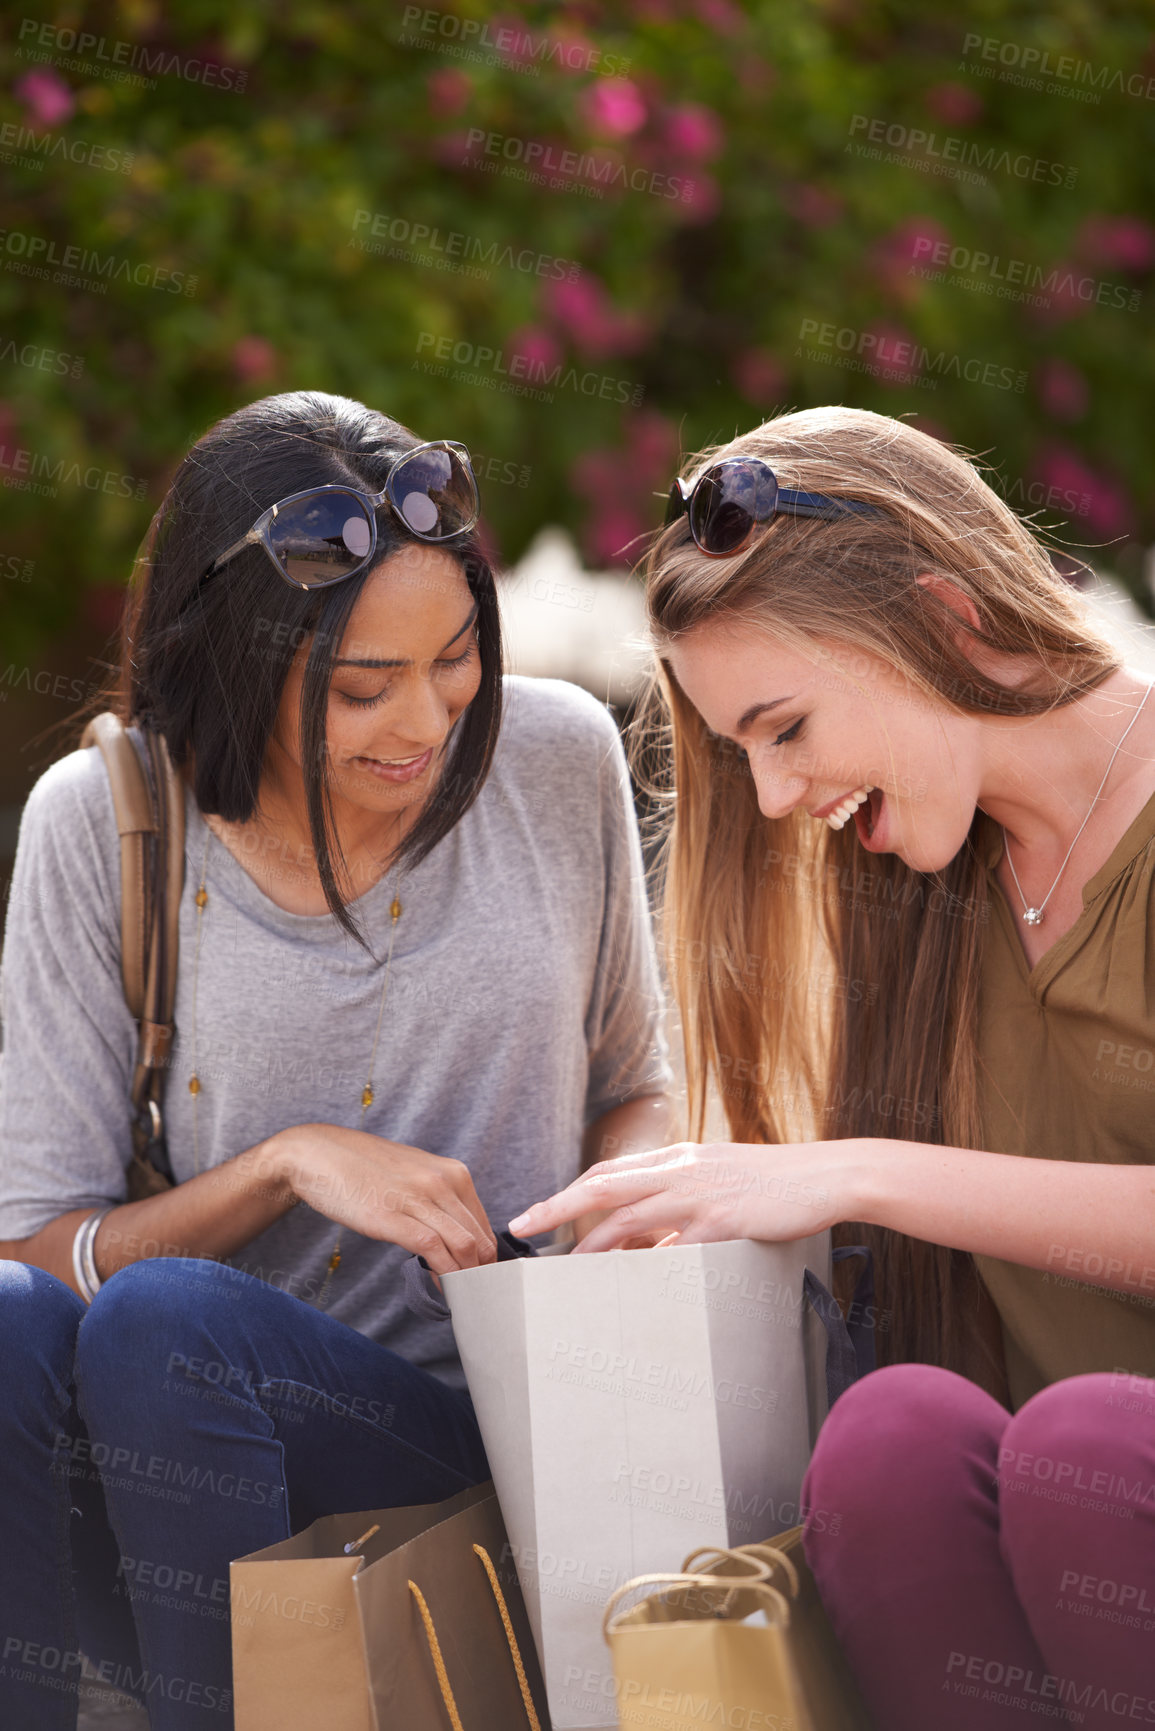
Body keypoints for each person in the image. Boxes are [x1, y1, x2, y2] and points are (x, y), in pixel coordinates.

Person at [0, 390, 670, 1730]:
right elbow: (35, 1246)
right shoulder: (107, 821)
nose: (425, 721)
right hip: (171, 1449)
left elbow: (632, 1091)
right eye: (364, 686)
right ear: (231, 663)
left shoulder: (559, 759)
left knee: (169, 1326)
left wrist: (623, 1223)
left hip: (466, 1435)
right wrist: (285, 1169)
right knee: (48, 1327)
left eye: (458, 656)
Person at [513, 406, 1155, 1730]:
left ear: (938, 614)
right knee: (890, 1437)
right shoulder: (924, 891)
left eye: (785, 726)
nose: (771, 797)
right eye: (740, 751)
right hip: (1060, 1556)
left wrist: (855, 1172)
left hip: (1103, 1483)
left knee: (1081, 1444)